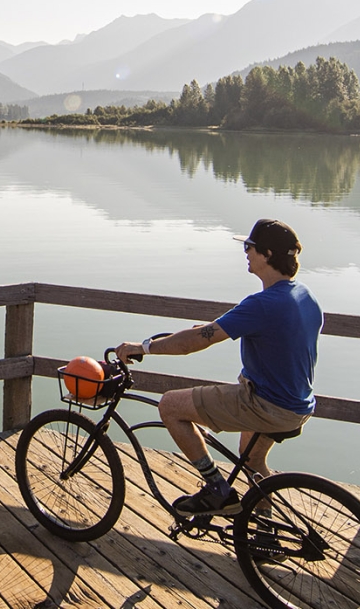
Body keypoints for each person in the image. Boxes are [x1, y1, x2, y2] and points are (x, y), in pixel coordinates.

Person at [116, 219, 320, 515]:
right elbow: (261, 332)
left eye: (249, 247)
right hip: (298, 405)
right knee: (252, 462)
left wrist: (143, 347)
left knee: (171, 405)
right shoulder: (305, 296)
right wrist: (211, 328)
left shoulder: (262, 304)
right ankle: (265, 532)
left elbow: (194, 342)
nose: (245, 252)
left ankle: (216, 489)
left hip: (265, 404)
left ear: (267, 255)